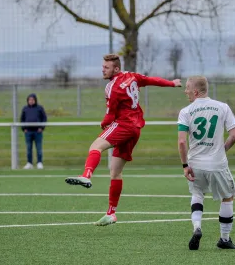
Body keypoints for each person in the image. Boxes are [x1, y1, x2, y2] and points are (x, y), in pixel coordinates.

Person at [65, 53, 182, 225]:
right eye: (103, 66)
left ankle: (86, 175)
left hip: (124, 125)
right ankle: (111, 213)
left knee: (95, 147)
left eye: (106, 67)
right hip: (136, 128)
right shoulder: (132, 76)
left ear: (116, 68)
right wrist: (172, 83)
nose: (102, 69)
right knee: (116, 172)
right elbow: (151, 80)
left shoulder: (112, 87)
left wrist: (103, 123)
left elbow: (110, 116)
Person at [178, 76, 235, 250]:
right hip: (217, 163)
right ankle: (224, 239)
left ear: (196, 92)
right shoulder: (222, 107)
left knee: (197, 194)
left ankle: (197, 228)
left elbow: (182, 142)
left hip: (195, 163)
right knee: (227, 197)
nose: (185, 91)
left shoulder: (186, 111)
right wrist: (222, 149)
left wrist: (185, 165)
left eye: (188, 88)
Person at [20, 93, 47, 170]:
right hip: (28, 132)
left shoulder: (39, 108)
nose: (31, 101)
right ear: (27, 101)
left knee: (39, 148)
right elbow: (22, 119)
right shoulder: (25, 109)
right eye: (29, 100)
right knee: (29, 148)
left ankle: (39, 163)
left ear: (35, 100)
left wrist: (41, 127)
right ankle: (29, 163)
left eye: (32, 100)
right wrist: (24, 128)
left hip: (37, 132)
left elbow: (44, 118)